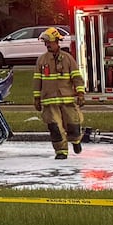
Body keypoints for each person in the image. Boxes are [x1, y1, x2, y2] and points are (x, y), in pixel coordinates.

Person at [32, 27, 85, 159]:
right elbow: (37, 80)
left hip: (68, 100)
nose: (47, 45)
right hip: (49, 101)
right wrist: (36, 98)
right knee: (55, 127)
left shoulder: (68, 59)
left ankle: (76, 141)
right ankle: (61, 152)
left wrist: (80, 94)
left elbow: (76, 78)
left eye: (49, 42)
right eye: (46, 43)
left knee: (74, 125)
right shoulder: (42, 61)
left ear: (56, 41)